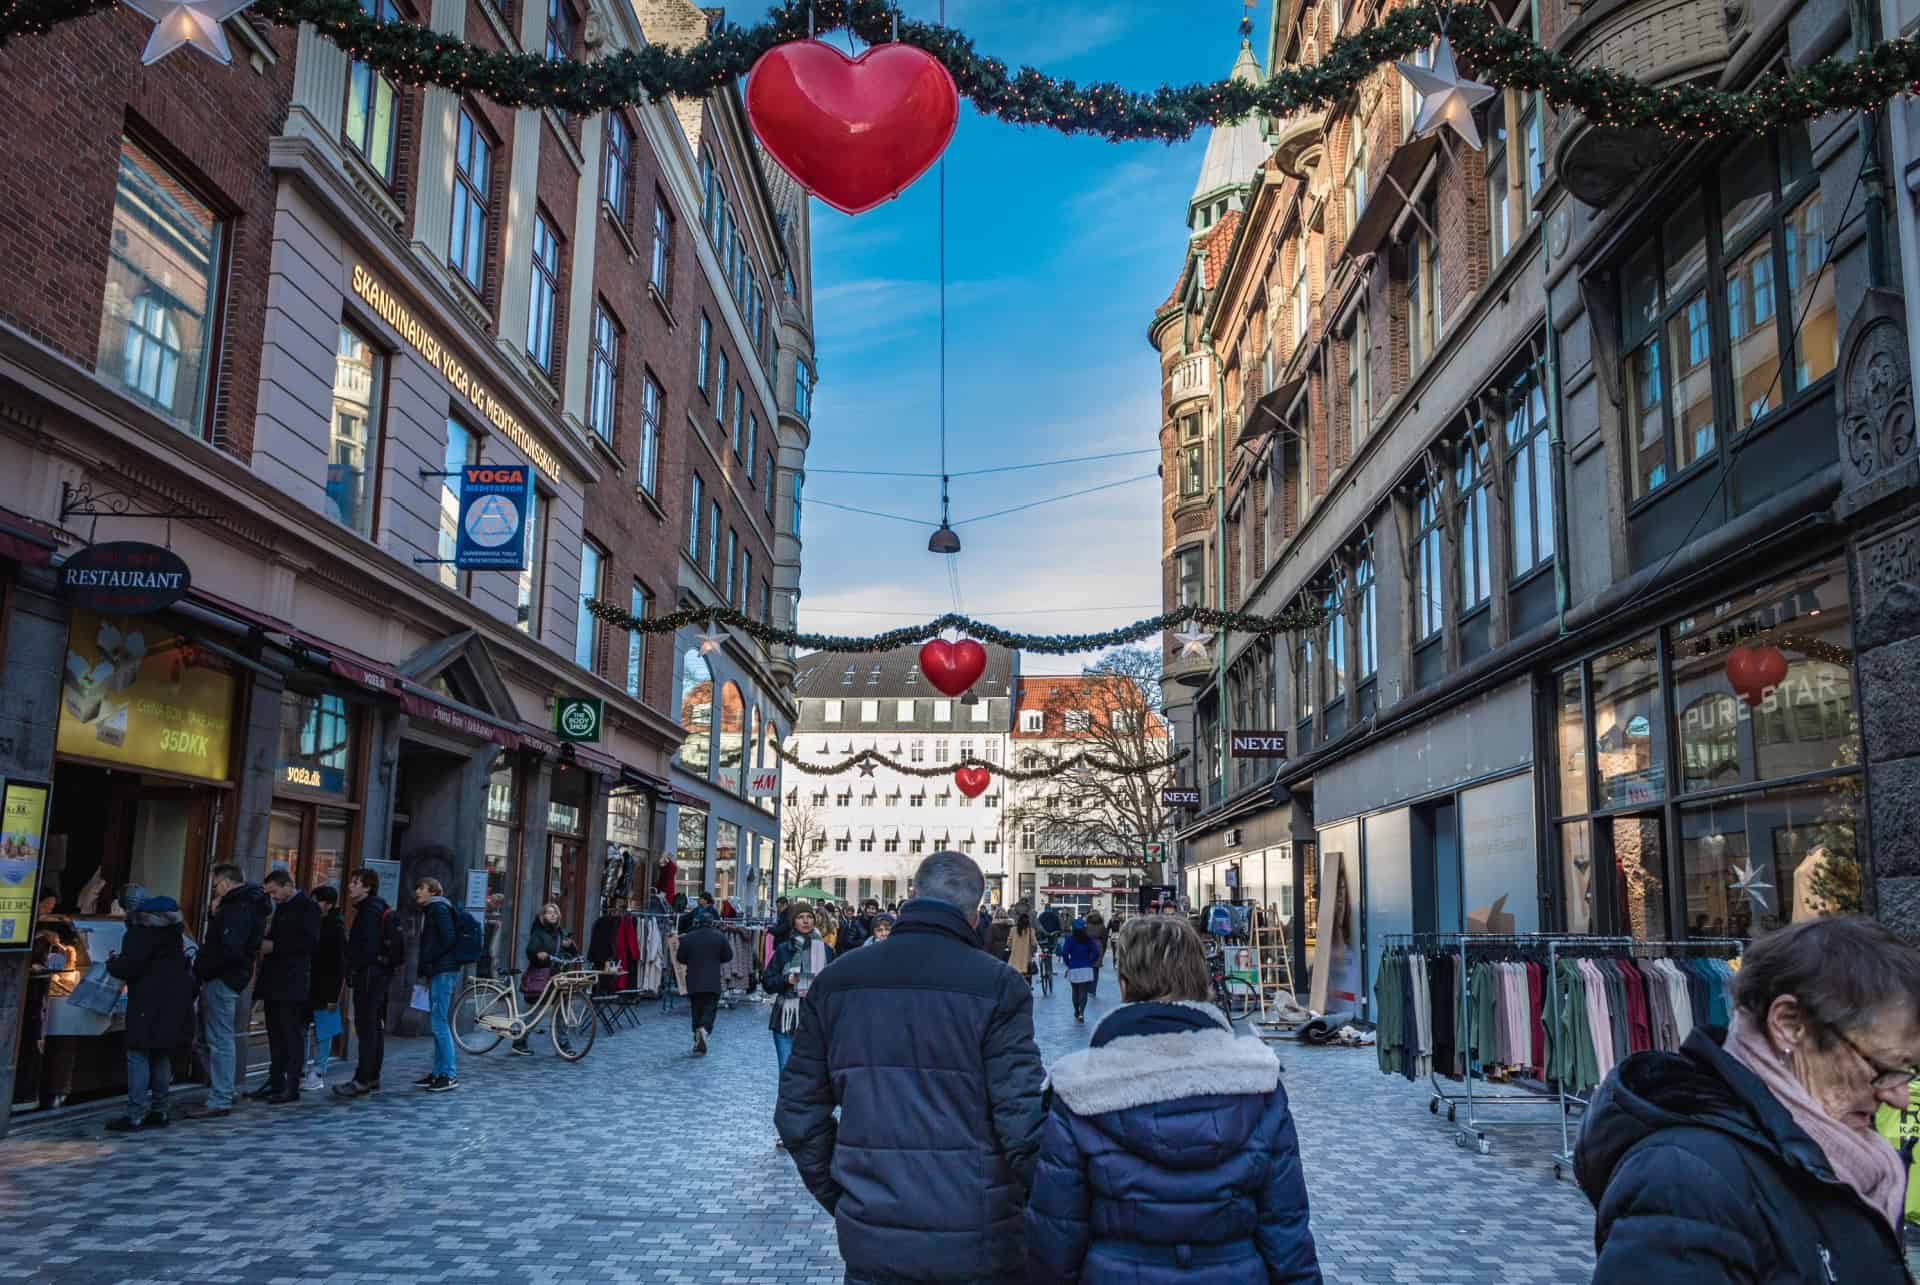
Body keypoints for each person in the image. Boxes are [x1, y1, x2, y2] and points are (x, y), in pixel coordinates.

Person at [1577, 916, 1920, 1283]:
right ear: (1789, 1024)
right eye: (1881, 1068)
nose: (1898, 1097)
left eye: (1910, 1070)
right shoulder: (1685, 1180)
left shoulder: (1851, 1159)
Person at [777, 852, 1044, 1285]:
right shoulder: (998, 985)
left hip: (874, 1229)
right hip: (978, 1232)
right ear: (975, 913)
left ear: (912, 896)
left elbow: (797, 1111)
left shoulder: (839, 981)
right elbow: (1023, 1122)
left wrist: (846, 1195)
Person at [1028, 916, 1321, 1282]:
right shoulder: (1257, 1080)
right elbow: (1286, 1230)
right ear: (1202, 983)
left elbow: (1056, 1237)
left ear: (1124, 986)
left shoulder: (1078, 1088)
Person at [104, 887, 194, 1133]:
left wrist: (113, 964)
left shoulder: (140, 932)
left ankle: (134, 1114)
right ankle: (160, 1110)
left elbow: (131, 966)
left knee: (138, 1053)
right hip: (172, 1000)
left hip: (146, 1000)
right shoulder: (175, 932)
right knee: (161, 1053)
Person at [183, 863, 270, 1120]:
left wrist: (205, 968)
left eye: (215, 886)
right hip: (230, 977)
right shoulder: (246, 905)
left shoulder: (236, 908)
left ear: (226, 883)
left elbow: (229, 947)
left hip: (223, 978)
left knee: (219, 1039)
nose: (214, 892)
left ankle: (221, 1096)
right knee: (214, 1038)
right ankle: (224, 1090)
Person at [252, 869, 320, 1104]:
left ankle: (292, 1085)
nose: (274, 897)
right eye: (269, 894)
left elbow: (309, 942)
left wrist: (275, 946)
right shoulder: (282, 906)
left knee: (290, 1034)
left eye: (275, 892)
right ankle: (276, 1080)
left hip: (292, 982)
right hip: (275, 980)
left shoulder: (307, 907)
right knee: (276, 1034)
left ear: (287, 885)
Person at [334, 868, 394, 1097]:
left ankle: (363, 1078)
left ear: (367, 887)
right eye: (351, 881)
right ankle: (372, 1076)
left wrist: (352, 963)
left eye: (356, 882)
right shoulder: (378, 907)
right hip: (377, 975)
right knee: (373, 1027)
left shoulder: (369, 911)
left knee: (367, 1027)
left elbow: (366, 949)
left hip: (369, 976)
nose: (350, 886)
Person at [765, 900, 833, 1076]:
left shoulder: (826, 950)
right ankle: (787, 1104)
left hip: (815, 1020)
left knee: (814, 1074)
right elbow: (767, 983)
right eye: (800, 917)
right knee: (787, 1072)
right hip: (785, 1020)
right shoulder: (784, 950)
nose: (805, 921)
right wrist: (786, 979)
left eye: (809, 917)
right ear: (793, 921)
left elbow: (835, 984)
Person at [414, 877, 460, 1092]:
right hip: (438, 971)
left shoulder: (439, 909)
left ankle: (449, 1074)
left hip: (443, 971)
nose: (417, 892)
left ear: (432, 891)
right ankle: (438, 1072)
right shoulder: (433, 910)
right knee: (437, 1023)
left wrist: (431, 960)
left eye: (421, 888)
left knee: (440, 1023)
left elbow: (448, 938)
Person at [301, 884, 347, 1092]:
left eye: (317, 900)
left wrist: (333, 995)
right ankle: (300, 1068)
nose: (313, 904)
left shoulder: (335, 928)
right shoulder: (312, 922)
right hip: (307, 984)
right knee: (302, 1027)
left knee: (324, 1030)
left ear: (328, 904)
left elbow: (338, 964)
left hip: (325, 986)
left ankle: (318, 1070)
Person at [514, 902, 576, 1055]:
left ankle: (563, 1044)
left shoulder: (561, 933)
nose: (553, 915)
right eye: (549, 912)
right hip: (542, 977)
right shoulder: (538, 933)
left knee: (561, 1010)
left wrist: (569, 947)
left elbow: (571, 953)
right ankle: (520, 1041)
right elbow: (530, 950)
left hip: (559, 976)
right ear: (543, 917)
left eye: (555, 912)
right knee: (536, 1011)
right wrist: (539, 955)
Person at [676, 906, 731, 1055]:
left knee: (696, 1008)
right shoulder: (719, 936)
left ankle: (697, 1038)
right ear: (711, 923)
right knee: (710, 1008)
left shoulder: (688, 937)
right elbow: (728, 956)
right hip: (712, 979)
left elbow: (680, 958)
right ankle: (704, 1029)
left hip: (693, 978)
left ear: (697, 922)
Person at [1060, 919, 1102, 1023]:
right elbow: (1096, 952)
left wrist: (1068, 963)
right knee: (1083, 992)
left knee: (1075, 991)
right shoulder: (1088, 939)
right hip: (1086, 968)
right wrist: (1091, 961)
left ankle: (1076, 1010)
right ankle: (1082, 1013)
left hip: (1074, 967)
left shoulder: (1070, 939)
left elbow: (1064, 952)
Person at [1007, 911, 1037, 985]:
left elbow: (1008, 943)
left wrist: (1012, 948)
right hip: (1026, 961)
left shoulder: (1013, 930)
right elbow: (1034, 943)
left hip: (1014, 960)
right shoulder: (1031, 931)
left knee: (1014, 979)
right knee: (1027, 979)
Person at [1084, 909, 1108, 997]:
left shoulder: (1086, 925)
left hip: (1088, 946)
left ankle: (1087, 988)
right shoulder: (1102, 926)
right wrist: (1103, 951)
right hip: (1098, 946)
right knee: (1095, 970)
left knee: (1087, 968)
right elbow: (1105, 939)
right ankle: (1093, 990)